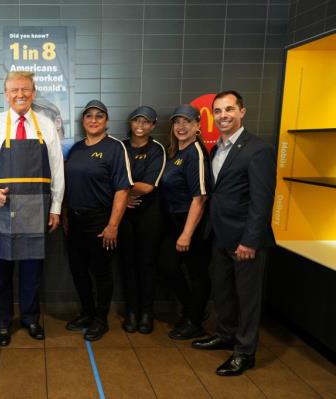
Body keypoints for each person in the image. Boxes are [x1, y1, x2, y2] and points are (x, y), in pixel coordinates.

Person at [0, 71, 64, 347]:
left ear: (33, 93)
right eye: (14, 90)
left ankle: (31, 319)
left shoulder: (46, 125)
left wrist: (56, 207)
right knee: (1, 272)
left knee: (32, 269)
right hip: (3, 205)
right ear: (6, 94)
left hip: (37, 206)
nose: (20, 94)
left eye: (25, 89)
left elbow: (57, 169)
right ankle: (2, 323)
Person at [192, 90, 276, 376]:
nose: (223, 115)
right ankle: (225, 335)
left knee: (248, 298)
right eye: (218, 111)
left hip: (245, 241)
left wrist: (250, 241)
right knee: (223, 292)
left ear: (242, 112)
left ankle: (244, 352)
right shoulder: (218, 148)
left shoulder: (258, 150)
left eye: (229, 109)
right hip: (219, 235)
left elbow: (261, 201)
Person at [63, 100, 133, 341]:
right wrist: (64, 216)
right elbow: (67, 186)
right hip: (74, 220)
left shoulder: (115, 148)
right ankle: (87, 312)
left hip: (100, 220)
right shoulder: (76, 149)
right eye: (89, 116)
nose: (93, 120)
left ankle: (101, 319)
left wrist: (113, 225)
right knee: (78, 270)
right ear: (83, 121)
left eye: (99, 116)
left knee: (101, 272)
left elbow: (122, 190)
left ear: (106, 121)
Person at [158, 104, 211, 341]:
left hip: (192, 223)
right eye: (177, 122)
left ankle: (195, 322)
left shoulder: (196, 153)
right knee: (168, 266)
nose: (181, 127)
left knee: (197, 273)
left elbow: (200, 197)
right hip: (174, 221)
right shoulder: (176, 152)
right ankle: (193, 311)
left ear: (197, 126)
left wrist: (187, 233)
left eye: (187, 122)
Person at [118, 106, 166, 334]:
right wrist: (123, 196)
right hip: (124, 215)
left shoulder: (157, 150)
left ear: (153, 126)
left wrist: (123, 190)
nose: (140, 125)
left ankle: (147, 313)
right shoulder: (121, 147)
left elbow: (147, 187)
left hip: (149, 215)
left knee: (146, 265)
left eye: (146, 122)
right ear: (130, 123)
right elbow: (108, 178)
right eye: (136, 120)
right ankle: (131, 312)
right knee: (127, 264)